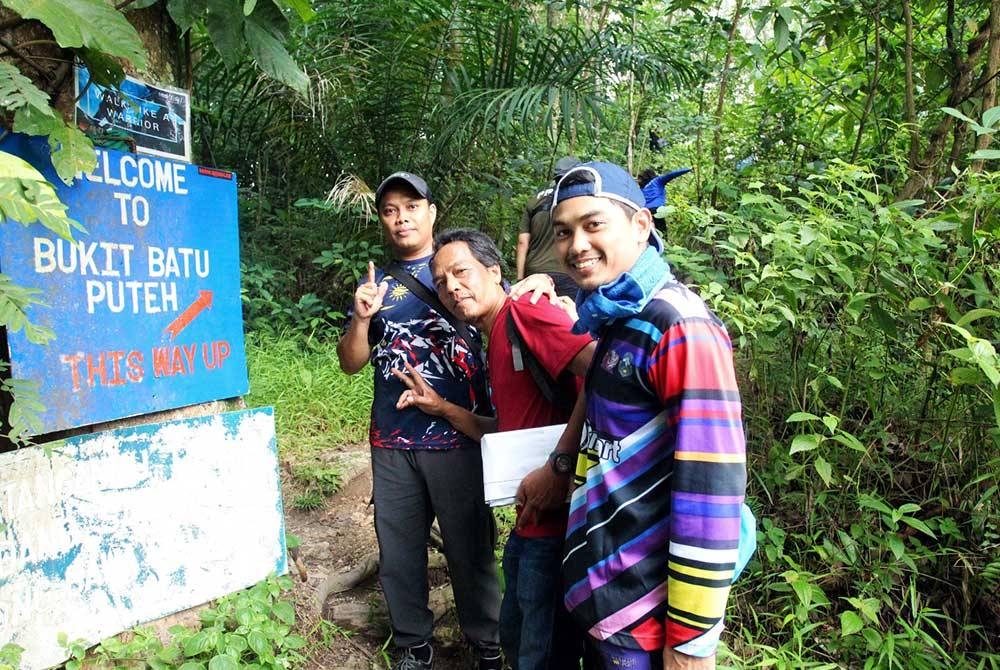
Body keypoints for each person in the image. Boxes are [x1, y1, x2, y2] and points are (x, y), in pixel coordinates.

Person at [548, 162, 748, 670]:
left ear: (641, 225)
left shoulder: (679, 327)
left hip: (643, 619)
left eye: (593, 225)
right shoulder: (617, 312)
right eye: (564, 231)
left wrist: (691, 643)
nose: (576, 245)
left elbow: (712, 490)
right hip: (603, 598)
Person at [393, 229, 595, 670]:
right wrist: (442, 408)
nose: (451, 287)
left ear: (495, 272)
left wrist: (559, 466)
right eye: (441, 282)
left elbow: (602, 372)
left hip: (559, 520)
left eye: (461, 272)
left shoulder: (526, 311)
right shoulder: (497, 335)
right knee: (517, 638)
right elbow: (506, 430)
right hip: (530, 520)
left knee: (540, 653)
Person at [336, 172, 503, 670]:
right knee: (400, 550)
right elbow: (350, 363)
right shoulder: (377, 286)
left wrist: (541, 282)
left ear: (431, 212)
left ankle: (487, 643)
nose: (401, 218)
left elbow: (506, 311)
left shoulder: (462, 267)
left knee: (470, 548)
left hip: (459, 434)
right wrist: (361, 318)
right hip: (393, 438)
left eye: (411, 206)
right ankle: (414, 644)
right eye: (390, 210)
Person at [515, 156, 581, 297]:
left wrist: (520, 278)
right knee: (568, 310)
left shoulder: (536, 200)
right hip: (567, 271)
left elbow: (522, 242)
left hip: (534, 272)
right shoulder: (578, 198)